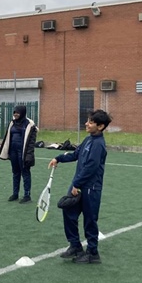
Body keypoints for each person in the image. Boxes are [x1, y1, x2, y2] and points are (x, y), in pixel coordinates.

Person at [48, 109, 112, 264]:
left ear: (101, 126)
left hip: (90, 188)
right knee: (68, 211)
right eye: (88, 121)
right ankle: (75, 246)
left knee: (90, 220)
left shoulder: (99, 145)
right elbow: (76, 154)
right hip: (79, 185)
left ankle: (92, 253)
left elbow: (91, 167)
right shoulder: (88, 139)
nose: (86, 124)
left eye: (90, 122)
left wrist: (77, 184)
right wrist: (58, 159)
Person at [0, 105, 38, 204]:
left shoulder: (30, 124)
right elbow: (8, 136)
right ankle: (15, 194)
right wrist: (4, 147)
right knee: (15, 173)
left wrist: (28, 155)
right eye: (14, 112)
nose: (15, 114)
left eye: (17, 113)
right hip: (13, 152)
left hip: (23, 152)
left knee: (25, 173)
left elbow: (31, 143)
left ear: (22, 113)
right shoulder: (12, 123)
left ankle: (27, 195)